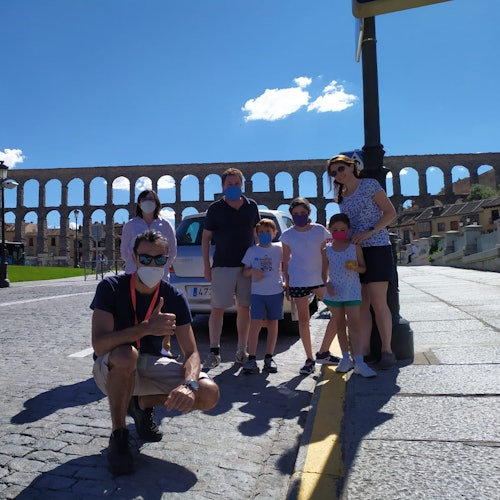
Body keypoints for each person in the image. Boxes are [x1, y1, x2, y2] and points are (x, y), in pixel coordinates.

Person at [91, 230, 220, 476]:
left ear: (168, 260)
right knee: (126, 354)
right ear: (134, 257)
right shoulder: (110, 287)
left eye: (159, 259)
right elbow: (99, 345)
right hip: (112, 368)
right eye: (145, 258)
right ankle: (118, 435)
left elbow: (192, 352)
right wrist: (146, 328)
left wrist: (189, 384)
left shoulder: (174, 297)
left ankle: (141, 403)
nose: (152, 264)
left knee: (208, 393)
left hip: (150, 365)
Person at [326, 154, 397, 370]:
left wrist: (369, 232)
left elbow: (390, 213)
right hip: (354, 253)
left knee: (378, 301)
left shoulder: (369, 185)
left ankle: (387, 351)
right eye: (334, 173)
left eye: (341, 169)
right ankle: (363, 352)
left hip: (376, 248)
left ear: (352, 166)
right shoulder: (342, 196)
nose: (338, 174)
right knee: (362, 304)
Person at [202, 167, 260, 369]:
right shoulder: (215, 209)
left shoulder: (252, 207)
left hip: (246, 267)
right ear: (223, 186)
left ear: (242, 185)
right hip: (222, 266)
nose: (233, 187)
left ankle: (241, 350)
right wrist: (206, 267)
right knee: (217, 309)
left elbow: (256, 234)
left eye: (237, 183)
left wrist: (260, 261)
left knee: (245, 308)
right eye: (230, 184)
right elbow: (206, 238)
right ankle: (214, 351)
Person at [280, 197, 337, 376]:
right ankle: (309, 358)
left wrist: (327, 277)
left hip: (319, 279)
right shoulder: (287, 235)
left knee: (338, 313)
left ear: (309, 213)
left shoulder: (320, 231)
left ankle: (323, 352)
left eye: (303, 213)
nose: (299, 216)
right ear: (291, 215)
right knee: (304, 322)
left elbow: (326, 255)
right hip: (297, 280)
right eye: (296, 214)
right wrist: (287, 284)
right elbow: (285, 262)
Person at [120, 189, 177, 357]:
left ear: (157, 202)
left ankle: (163, 349)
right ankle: (133, 347)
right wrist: (137, 265)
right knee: (133, 310)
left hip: (160, 275)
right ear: (139, 203)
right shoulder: (131, 225)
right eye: (144, 199)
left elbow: (172, 251)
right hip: (134, 275)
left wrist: (161, 267)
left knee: (161, 311)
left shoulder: (165, 224)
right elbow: (124, 251)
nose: (148, 202)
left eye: (151, 199)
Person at [320, 213, 376, 378]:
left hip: (352, 291)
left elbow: (364, 268)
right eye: (335, 229)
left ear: (348, 230)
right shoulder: (326, 250)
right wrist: (327, 284)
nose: (339, 232)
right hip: (335, 292)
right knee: (339, 324)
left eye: (342, 229)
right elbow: (323, 274)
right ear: (330, 230)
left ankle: (359, 361)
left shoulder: (354, 247)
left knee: (354, 325)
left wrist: (355, 268)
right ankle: (346, 359)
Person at [241, 218, 284, 374]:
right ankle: (251, 358)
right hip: (258, 293)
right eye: (261, 232)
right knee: (255, 324)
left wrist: (287, 282)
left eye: (268, 231)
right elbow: (245, 271)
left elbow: (287, 265)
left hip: (276, 292)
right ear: (256, 234)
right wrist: (253, 271)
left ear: (274, 233)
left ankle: (269, 357)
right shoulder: (252, 250)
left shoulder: (279, 249)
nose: (264, 234)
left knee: (273, 324)